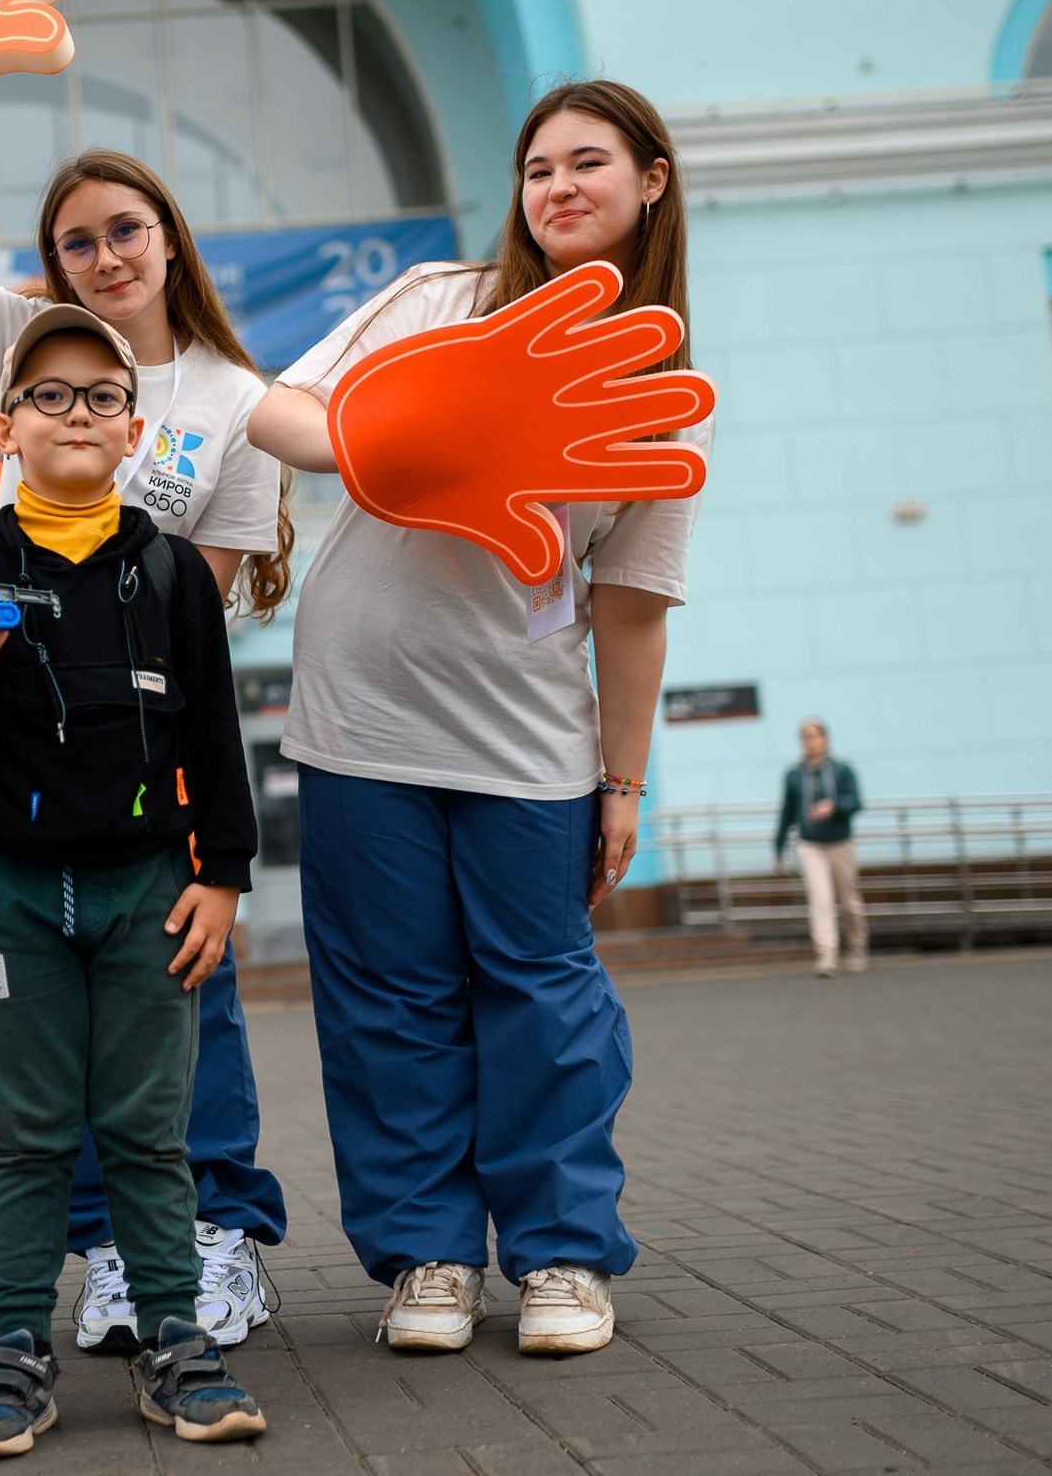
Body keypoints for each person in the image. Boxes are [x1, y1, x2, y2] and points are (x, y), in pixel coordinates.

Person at [247, 79, 706, 1359]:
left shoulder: (658, 388)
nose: (556, 187)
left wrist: (623, 786)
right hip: (360, 721)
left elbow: (630, 612)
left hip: (527, 743)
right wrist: (379, 436)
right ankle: (431, 1254)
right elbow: (274, 409)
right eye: (537, 167)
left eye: (588, 162)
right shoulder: (436, 303)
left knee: (541, 994)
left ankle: (560, 1254)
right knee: (389, 996)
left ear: (651, 180)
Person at [0, 94, 289, 1351]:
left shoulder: (231, 396)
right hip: (29, 796)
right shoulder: (26, 340)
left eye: (124, 230)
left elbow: (185, 632)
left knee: (187, 1012)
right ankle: (104, 1255)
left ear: (169, 238)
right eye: (76, 241)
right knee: (53, 1061)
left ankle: (218, 1238)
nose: (102, 258)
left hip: (144, 769)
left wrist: (214, 847)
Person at [0, 305, 267, 1454]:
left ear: (133, 427)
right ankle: (12, 1344)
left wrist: (224, 879)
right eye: (47, 394)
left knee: (149, 1129)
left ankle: (174, 1337)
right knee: (28, 1134)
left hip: (150, 893)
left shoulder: (168, 574)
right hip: (11, 893)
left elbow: (216, 737)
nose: (75, 413)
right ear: (3, 424)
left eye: (99, 395)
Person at [775, 719, 866, 976]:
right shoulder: (794, 775)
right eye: (805, 736)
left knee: (848, 899)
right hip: (810, 844)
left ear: (825, 739)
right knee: (820, 898)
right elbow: (787, 813)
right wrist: (778, 846)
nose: (809, 741)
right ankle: (826, 953)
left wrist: (833, 806)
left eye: (814, 735)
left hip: (840, 841)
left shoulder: (842, 770)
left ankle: (857, 946)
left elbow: (856, 801)